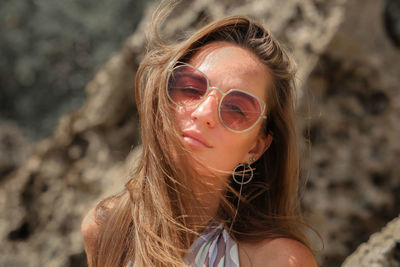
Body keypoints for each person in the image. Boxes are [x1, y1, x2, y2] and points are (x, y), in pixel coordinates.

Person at [81, 2, 318, 266]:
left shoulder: (279, 260)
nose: (204, 113)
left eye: (237, 109)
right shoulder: (105, 228)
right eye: (191, 88)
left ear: (255, 147)